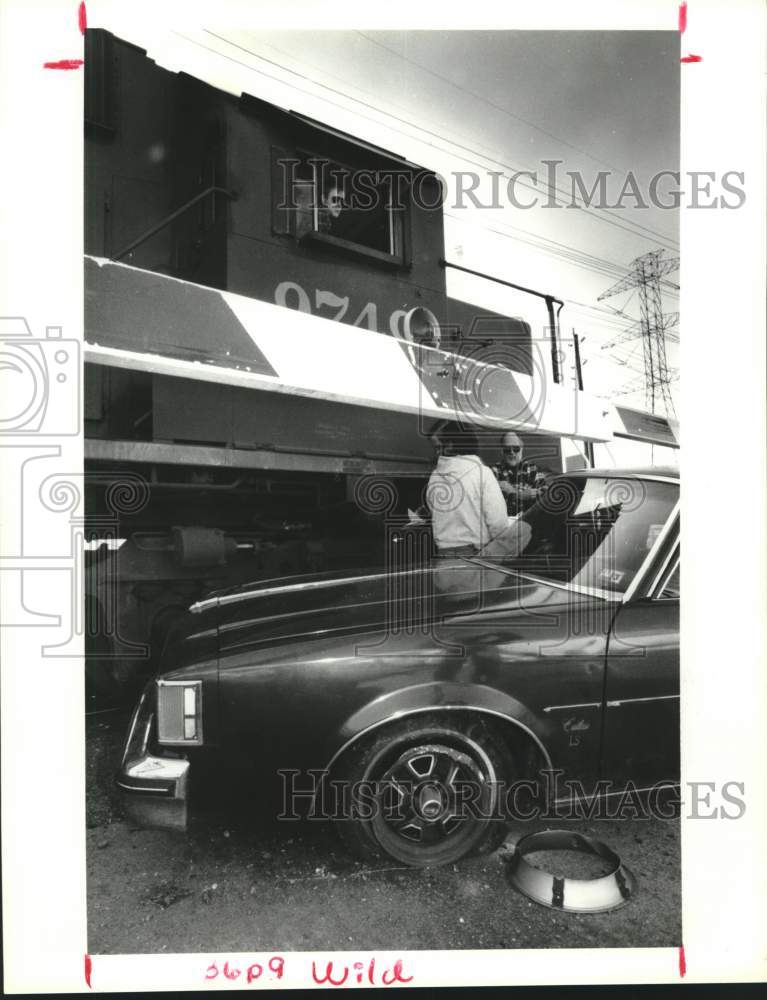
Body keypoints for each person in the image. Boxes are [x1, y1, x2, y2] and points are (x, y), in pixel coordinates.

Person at [426, 422, 528, 557]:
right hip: (477, 555)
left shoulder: (434, 477)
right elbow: (498, 524)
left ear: (450, 445)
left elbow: (433, 510)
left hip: (444, 555)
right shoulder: (482, 473)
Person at [492, 430, 548, 517]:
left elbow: (544, 496)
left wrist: (513, 493)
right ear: (502, 451)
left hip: (529, 524)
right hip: (504, 525)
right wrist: (523, 495)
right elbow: (492, 503)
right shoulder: (493, 472)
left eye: (516, 449)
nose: (512, 452)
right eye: (507, 449)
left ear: (522, 449)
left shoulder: (533, 469)